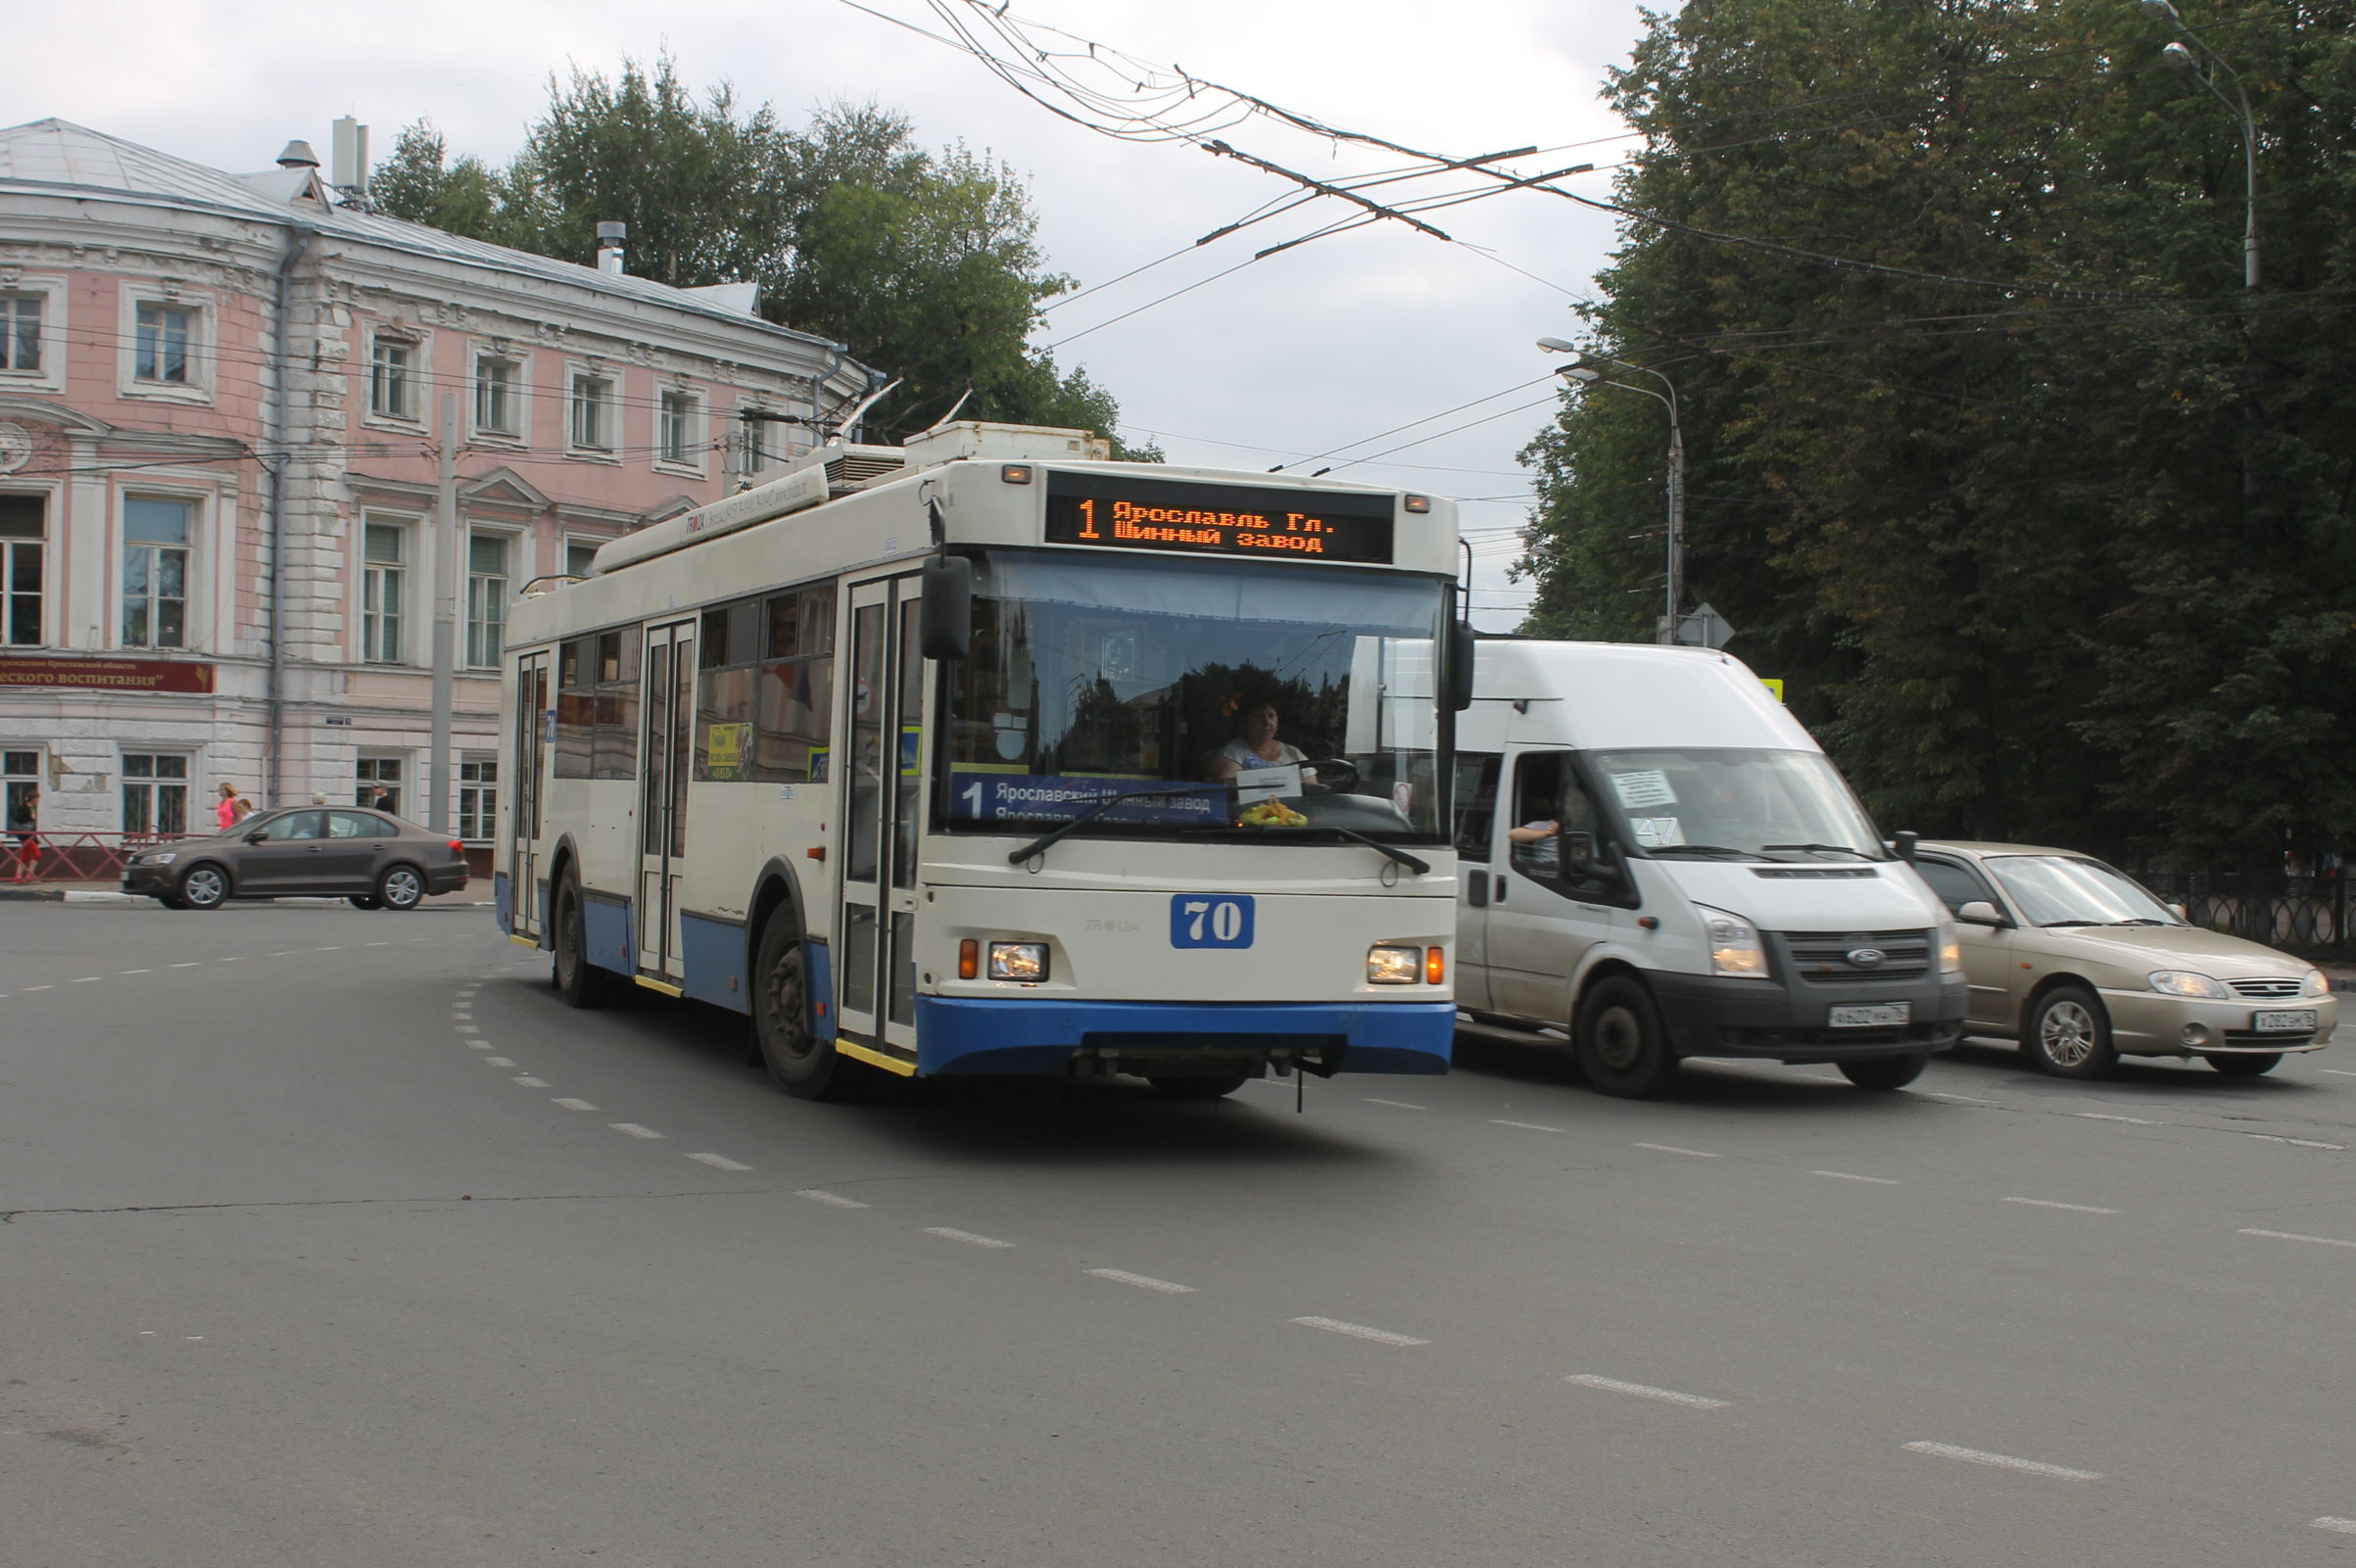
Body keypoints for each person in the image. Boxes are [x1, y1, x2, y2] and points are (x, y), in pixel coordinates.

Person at [1205, 700, 1317, 784]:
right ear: (1246, 723)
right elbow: (1229, 792)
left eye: (1271, 716)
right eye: (1258, 716)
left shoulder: (1293, 752)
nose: (1267, 721)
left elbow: (1313, 789)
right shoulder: (1231, 752)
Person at [8, 786, 36, 883]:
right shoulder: (23, 808)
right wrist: (30, 818)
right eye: (38, 799)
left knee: (24, 856)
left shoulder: (32, 808)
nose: (39, 801)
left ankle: (18, 876)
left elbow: (33, 824)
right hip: (25, 835)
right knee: (37, 854)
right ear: (34, 799)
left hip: (29, 835)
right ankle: (29, 875)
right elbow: (20, 820)